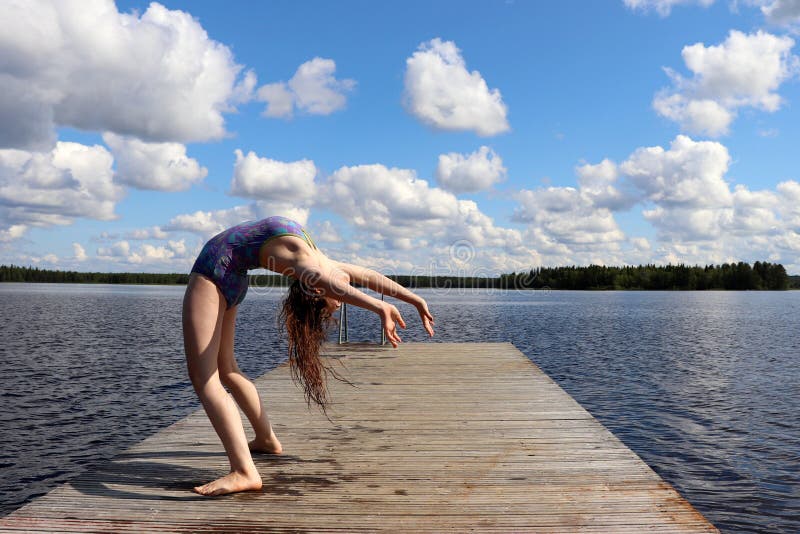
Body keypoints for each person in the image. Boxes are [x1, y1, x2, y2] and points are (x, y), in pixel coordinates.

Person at [182, 216, 435, 496]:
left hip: (216, 272)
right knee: (223, 369)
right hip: (225, 274)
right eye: (333, 302)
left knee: (207, 378)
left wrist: (413, 299)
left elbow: (369, 276)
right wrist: (380, 307)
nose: (338, 304)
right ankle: (266, 439)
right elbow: (345, 281)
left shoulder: (318, 266)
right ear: (316, 290)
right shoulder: (316, 267)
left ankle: (244, 471)